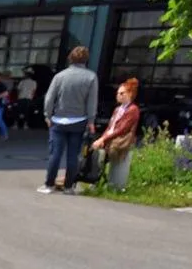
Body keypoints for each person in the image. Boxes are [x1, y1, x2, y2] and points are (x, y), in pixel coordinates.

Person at [39, 46, 98, 194]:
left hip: (58, 120)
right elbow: (92, 102)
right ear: (86, 59)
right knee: (73, 155)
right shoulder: (91, 77)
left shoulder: (60, 76)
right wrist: (91, 121)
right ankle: (68, 187)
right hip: (79, 121)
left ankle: (49, 185)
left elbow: (49, 98)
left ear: (70, 58)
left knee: (55, 154)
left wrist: (47, 115)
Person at [92, 78, 141, 191]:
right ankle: (96, 178)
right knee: (93, 152)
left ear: (130, 94)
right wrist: (102, 138)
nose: (118, 95)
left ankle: (100, 180)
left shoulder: (133, 110)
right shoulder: (117, 109)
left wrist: (103, 139)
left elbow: (122, 129)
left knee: (101, 156)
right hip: (111, 138)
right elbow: (110, 127)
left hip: (121, 141)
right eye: (118, 93)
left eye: (122, 93)